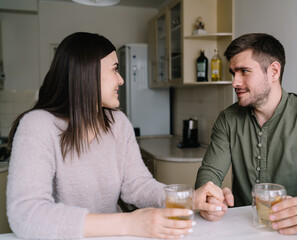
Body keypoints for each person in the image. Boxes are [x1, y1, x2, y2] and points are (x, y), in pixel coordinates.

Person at [6, 32, 225, 239]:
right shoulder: (38, 125)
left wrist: (187, 199)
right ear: (87, 74)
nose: (121, 80)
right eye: (114, 70)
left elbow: (137, 186)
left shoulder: (117, 123)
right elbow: (26, 214)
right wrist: (128, 223)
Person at [195, 33, 297, 234]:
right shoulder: (227, 118)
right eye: (233, 73)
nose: (235, 82)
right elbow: (210, 171)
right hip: (244, 229)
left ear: (273, 71)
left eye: (244, 71)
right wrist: (209, 199)